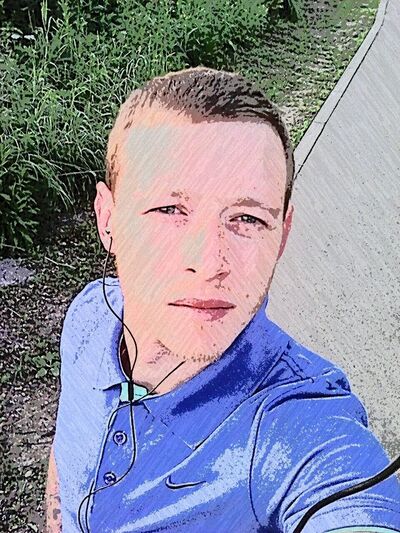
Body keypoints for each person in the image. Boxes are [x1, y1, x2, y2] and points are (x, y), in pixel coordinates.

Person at [46, 67, 400, 532]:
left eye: (248, 219)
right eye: (170, 210)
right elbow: (67, 447)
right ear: (108, 220)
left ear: (282, 235)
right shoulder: (88, 316)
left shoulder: (296, 423)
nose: (209, 262)